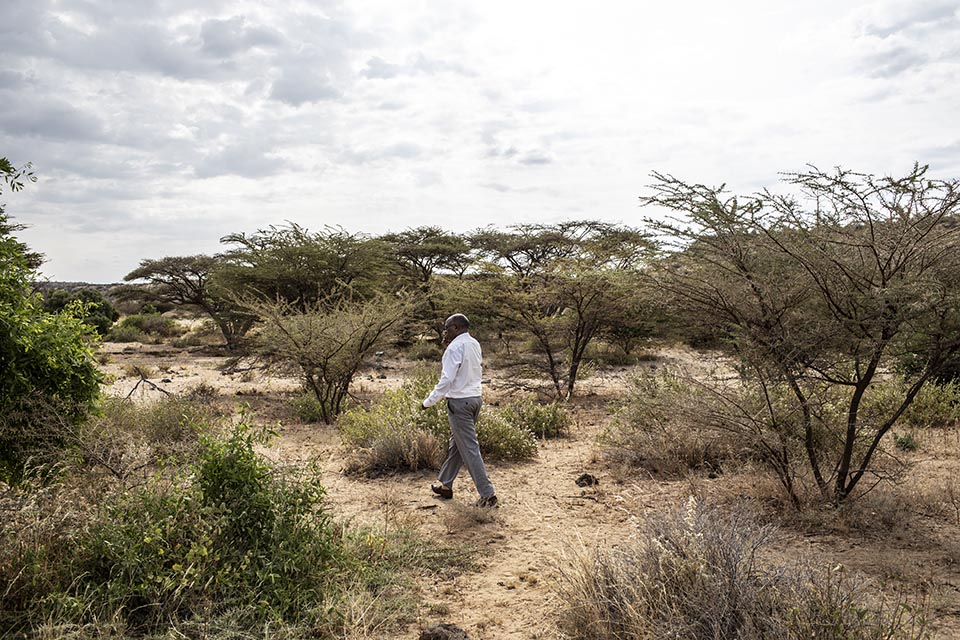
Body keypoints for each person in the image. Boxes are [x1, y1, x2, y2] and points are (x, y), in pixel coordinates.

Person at [421, 313, 498, 507]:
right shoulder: (474, 343)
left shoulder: (454, 348)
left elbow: (446, 379)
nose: (445, 332)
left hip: (459, 403)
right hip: (475, 400)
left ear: (456, 327)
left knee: (470, 448)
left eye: (447, 328)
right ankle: (446, 485)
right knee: (457, 444)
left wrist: (428, 402)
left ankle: (487, 494)